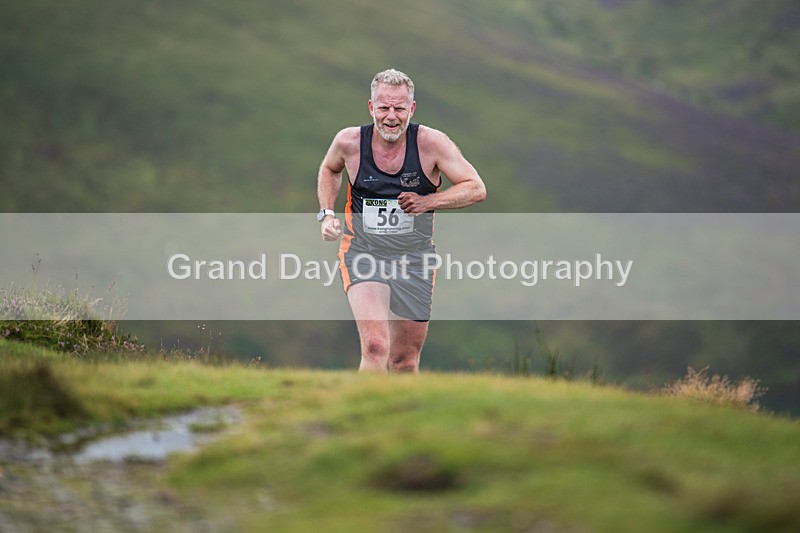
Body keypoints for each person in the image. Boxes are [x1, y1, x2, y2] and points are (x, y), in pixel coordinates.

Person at [316, 68, 486, 373]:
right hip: (363, 252)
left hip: (415, 259)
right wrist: (326, 213)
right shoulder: (350, 142)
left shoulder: (431, 144)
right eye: (383, 108)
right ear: (371, 108)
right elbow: (330, 169)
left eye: (399, 108)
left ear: (412, 108)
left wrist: (427, 201)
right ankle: (362, 416)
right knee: (375, 346)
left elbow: (476, 188)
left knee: (404, 360)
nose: (391, 117)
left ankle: (400, 418)